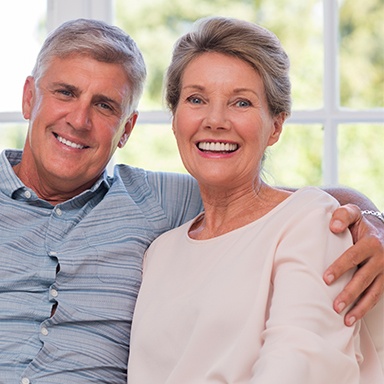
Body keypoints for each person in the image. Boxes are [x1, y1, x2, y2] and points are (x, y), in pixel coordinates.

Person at [0, 18, 382, 384]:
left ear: (127, 130)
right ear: (30, 97)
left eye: (104, 106)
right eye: (65, 92)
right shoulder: (166, 246)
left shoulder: (156, 203)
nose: (79, 119)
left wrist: (369, 217)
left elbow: (287, 208)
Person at [127, 16, 384, 383]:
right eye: (197, 99)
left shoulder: (312, 223)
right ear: (175, 118)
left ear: (275, 126)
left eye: (241, 102)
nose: (215, 120)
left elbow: (301, 365)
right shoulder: (159, 252)